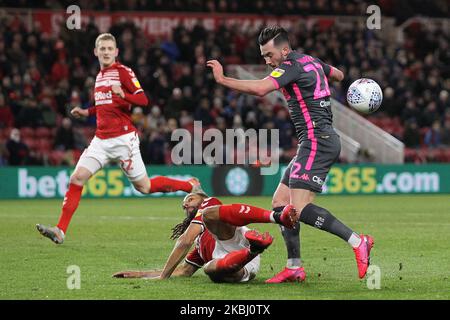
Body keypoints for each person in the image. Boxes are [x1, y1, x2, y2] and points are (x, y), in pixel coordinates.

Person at [206, 26, 374, 282]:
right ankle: (294, 266)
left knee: (298, 207)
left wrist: (223, 79)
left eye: (269, 54)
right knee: (280, 204)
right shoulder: (310, 60)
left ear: (284, 50)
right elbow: (338, 74)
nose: (267, 60)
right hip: (315, 141)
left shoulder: (291, 66)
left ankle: (357, 241)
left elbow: (262, 89)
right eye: (263, 56)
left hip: (318, 140)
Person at [36, 33, 202, 245]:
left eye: (109, 49)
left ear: (116, 52)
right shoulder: (99, 76)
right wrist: (87, 113)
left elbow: (143, 99)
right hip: (101, 141)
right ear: (96, 52)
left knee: (144, 187)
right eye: (102, 49)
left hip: (124, 140)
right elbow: (106, 105)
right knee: (76, 179)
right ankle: (60, 230)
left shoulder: (123, 72)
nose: (105, 52)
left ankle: (188, 185)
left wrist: (124, 95)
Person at [113, 191, 298, 283]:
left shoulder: (209, 204)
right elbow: (184, 271)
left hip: (234, 238)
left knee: (210, 214)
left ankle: (276, 217)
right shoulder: (200, 245)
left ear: (202, 197)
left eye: (190, 199)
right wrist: (141, 275)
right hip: (241, 263)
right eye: (184, 205)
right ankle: (254, 249)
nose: (186, 205)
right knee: (210, 270)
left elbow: (184, 240)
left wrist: (163, 277)